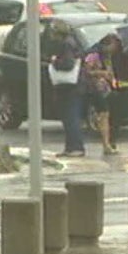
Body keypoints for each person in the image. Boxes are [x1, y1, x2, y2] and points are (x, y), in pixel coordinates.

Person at [50, 21, 87, 158]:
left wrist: (54, 62)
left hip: (70, 87)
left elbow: (68, 64)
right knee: (68, 117)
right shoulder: (72, 42)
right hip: (73, 86)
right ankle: (70, 147)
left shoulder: (66, 44)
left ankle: (76, 147)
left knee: (71, 117)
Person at [83, 35, 119, 156]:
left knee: (105, 115)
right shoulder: (94, 55)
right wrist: (101, 73)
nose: (115, 48)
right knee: (103, 114)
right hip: (93, 88)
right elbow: (86, 71)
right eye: (113, 45)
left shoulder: (108, 57)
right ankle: (106, 144)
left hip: (104, 88)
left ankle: (107, 144)